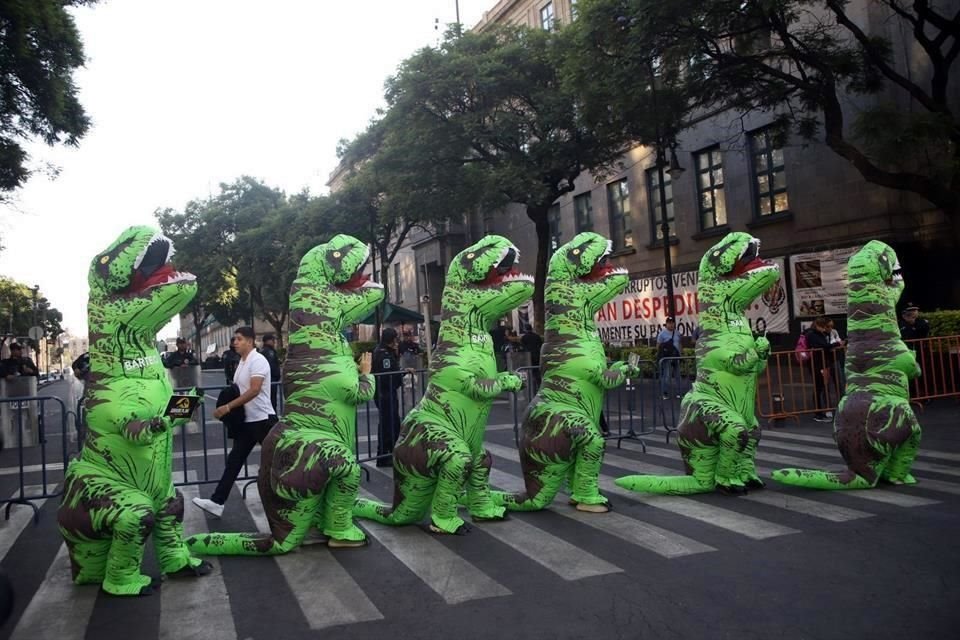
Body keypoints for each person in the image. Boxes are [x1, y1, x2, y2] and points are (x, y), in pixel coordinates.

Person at [193, 326, 277, 518]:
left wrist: (228, 407)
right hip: (248, 422)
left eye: (239, 339)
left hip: (263, 420)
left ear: (250, 341)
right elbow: (237, 388)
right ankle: (217, 502)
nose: (235, 342)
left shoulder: (258, 360)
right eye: (234, 339)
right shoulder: (242, 361)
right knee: (234, 461)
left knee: (280, 462)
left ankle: (300, 499)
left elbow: (255, 390)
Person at [372, 328, 412, 467]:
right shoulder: (384, 355)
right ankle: (383, 456)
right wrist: (401, 374)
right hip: (385, 394)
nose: (397, 341)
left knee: (392, 424)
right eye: (395, 338)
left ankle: (389, 454)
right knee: (387, 426)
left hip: (384, 394)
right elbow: (389, 376)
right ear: (390, 339)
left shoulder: (383, 351)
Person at [805, 316, 841, 423]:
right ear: (818, 325)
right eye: (824, 327)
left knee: (820, 387)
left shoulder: (819, 334)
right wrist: (838, 343)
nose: (825, 329)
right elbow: (824, 346)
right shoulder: (812, 334)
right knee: (818, 387)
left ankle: (819, 411)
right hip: (816, 364)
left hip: (822, 363)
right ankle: (818, 413)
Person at [656, 318, 682, 399]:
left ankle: (679, 393)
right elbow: (658, 346)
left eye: (672, 323)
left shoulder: (677, 333)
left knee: (678, 376)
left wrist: (680, 354)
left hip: (676, 357)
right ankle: (665, 393)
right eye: (669, 323)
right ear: (666, 324)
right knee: (666, 376)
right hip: (666, 358)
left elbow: (680, 343)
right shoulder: (662, 334)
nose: (671, 324)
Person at [259, 333, 282, 412]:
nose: (274, 342)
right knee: (272, 402)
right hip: (271, 380)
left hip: (267, 380)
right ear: (268, 341)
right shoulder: (269, 352)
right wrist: (276, 376)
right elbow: (272, 366)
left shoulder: (262, 351)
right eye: (272, 340)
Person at [826, 318, 847, 398]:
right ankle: (827, 405)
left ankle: (842, 400)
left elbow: (839, 341)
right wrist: (837, 344)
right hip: (825, 360)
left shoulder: (834, 332)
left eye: (832, 326)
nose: (830, 328)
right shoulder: (823, 334)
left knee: (839, 381)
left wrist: (838, 344)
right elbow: (830, 345)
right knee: (825, 384)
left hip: (835, 359)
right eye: (828, 326)